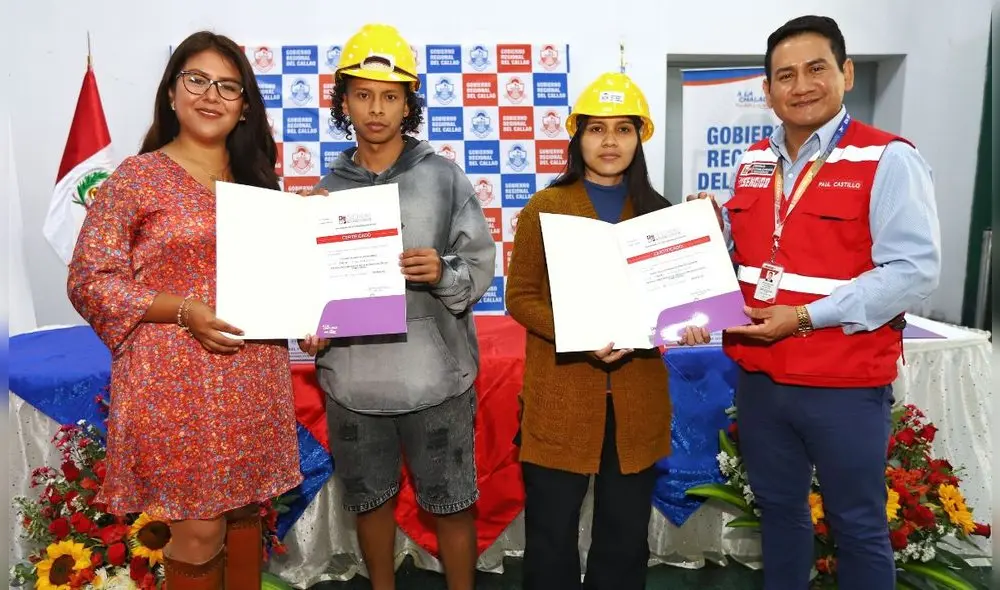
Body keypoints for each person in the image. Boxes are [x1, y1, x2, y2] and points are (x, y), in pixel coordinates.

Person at [680, 15, 941, 590]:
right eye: (785, 75)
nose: (801, 85)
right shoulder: (751, 162)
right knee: (778, 514)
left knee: (858, 526)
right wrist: (704, 251)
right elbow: (745, 262)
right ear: (768, 91)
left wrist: (804, 317)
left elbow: (914, 271)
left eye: (816, 68)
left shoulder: (887, 159)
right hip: (760, 380)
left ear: (846, 73)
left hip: (843, 383)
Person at [67, 31, 302, 589]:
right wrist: (181, 310)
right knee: (196, 532)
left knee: (246, 514)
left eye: (228, 86)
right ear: (171, 92)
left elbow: (286, 283)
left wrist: (314, 305)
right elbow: (89, 280)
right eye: (196, 79)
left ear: (245, 106)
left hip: (252, 374)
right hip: (173, 383)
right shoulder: (136, 177)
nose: (210, 95)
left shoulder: (261, 186)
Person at [296, 23, 495, 590]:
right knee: (369, 504)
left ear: (408, 103)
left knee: (453, 503)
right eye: (362, 94)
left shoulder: (443, 176)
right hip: (352, 381)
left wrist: (442, 271)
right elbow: (307, 291)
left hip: (437, 379)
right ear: (343, 102)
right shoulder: (322, 193)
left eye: (390, 95)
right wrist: (309, 327)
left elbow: (479, 264)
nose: (375, 108)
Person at [504, 71, 671, 590]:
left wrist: (687, 325)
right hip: (562, 396)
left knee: (623, 538)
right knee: (551, 536)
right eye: (597, 129)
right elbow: (521, 297)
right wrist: (576, 330)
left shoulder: (659, 213)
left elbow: (675, 304)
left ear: (639, 137)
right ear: (578, 137)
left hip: (636, 400)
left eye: (623, 129)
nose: (610, 142)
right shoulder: (544, 208)